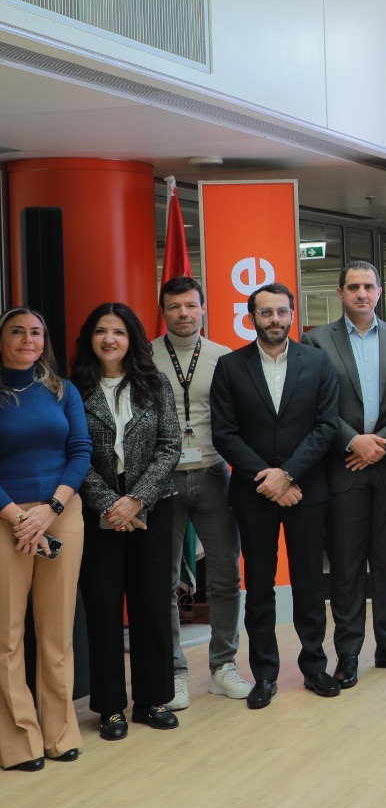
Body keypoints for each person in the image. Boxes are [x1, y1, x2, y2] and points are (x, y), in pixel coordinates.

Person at [211, 283, 341, 709]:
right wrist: (266, 478)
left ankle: (315, 668)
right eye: (266, 313)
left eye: (282, 312)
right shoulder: (230, 366)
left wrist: (287, 475)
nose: (275, 320)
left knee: (309, 583)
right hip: (254, 494)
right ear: (252, 318)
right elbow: (225, 433)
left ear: (291, 315)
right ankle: (264, 675)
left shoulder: (317, 362)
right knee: (260, 587)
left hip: (306, 490)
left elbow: (326, 426)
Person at [303, 261, 386, 688]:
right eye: (353, 287)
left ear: (379, 292)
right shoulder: (317, 340)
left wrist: (381, 443)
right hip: (344, 468)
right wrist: (353, 441)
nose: (361, 293)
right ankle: (349, 652)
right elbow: (314, 403)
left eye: (368, 286)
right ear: (340, 293)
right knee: (346, 566)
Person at [70, 304, 183, 741]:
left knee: (151, 605)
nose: (109, 339)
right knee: (103, 608)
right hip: (97, 509)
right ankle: (110, 707)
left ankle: (152, 700)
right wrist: (109, 504)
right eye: (101, 331)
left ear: (132, 338)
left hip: (151, 506)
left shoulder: (155, 384)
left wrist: (136, 500)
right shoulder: (74, 389)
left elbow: (170, 445)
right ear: (90, 338)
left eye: (118, 331)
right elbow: (73, 453)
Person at [0, 307, 91, 772]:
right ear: (2, 340)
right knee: (8, 634)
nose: (27, 340)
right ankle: (19, 741)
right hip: (6, 518)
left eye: (35, 333)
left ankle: (58, 733)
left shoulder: (62, 390)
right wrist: (19, 516)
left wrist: (51, 509)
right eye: (17, 332)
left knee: (56, 630)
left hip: (60, 513)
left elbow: (80, 451)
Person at [154, 276, 251, 704]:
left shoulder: (223, 357)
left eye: (191, 305)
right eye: (175, 307)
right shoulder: (145, 356)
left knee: (227, 576)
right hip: (162, 479)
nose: (184, 313)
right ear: (163, 311)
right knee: (163, 580)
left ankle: (223, 666)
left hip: (214, 473)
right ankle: (173, 670)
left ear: (203, 308)